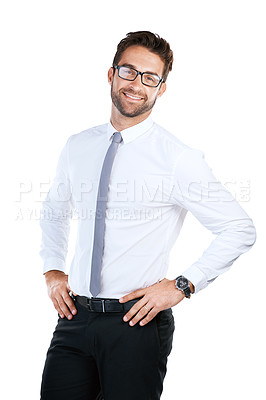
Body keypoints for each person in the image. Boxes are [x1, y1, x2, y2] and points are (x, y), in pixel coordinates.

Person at [39, 31, 256, 400]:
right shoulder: (78, 145)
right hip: (75, 318)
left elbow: (239, 228)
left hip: (135, 323)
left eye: (150, 77)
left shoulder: (177, 158)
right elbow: (55, 210)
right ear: (111, 75)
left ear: (161, 88)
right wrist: (52, 269)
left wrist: (183, 285)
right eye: (129, 71)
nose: (136, 84)